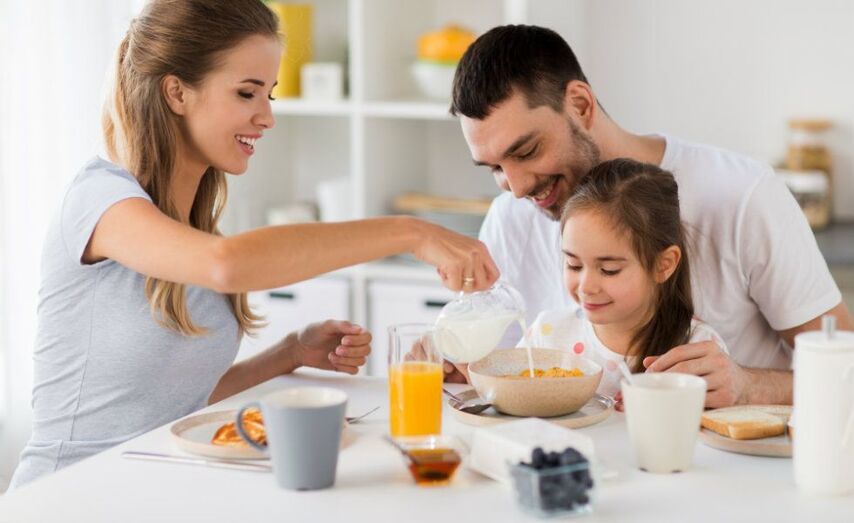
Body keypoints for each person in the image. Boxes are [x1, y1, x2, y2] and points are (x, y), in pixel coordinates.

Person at [10, 0, 498, 489]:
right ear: (177, 92)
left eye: (270, 95)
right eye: (247, 93)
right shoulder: (100, 200)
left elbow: (174, 403)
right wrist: (412, 231)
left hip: (155, 488)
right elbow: (228, 266)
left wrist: (289, 354)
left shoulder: (191, 230)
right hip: (69, 493)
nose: (266, 117)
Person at [443, 25, 853, 406]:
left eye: (527, 151)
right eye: (495, 168)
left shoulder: (742, 195)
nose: (516, 188)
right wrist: (454, 365)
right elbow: (498, 377)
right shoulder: (510, 218)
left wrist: (745, 385)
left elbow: (846, 369)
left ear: (580, 105)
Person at [523, 158, 727, 407]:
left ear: (663, 264)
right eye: (574, 265)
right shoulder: (548, 335)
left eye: (609, 270)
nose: (586, 286)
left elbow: (711, 433)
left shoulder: (697, 350)